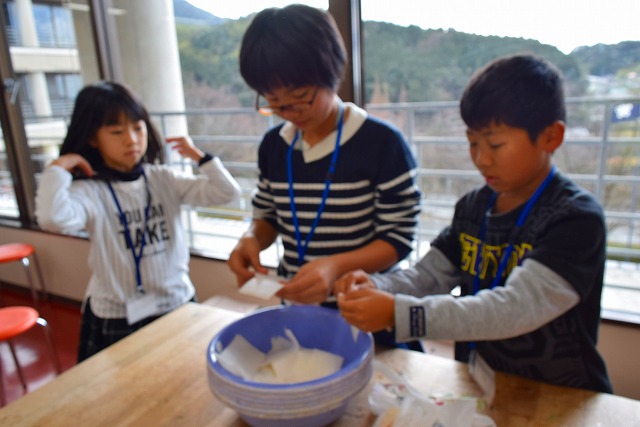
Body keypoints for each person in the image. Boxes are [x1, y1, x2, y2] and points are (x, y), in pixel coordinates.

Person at [335, 54, 613, 393]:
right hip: (482, 380)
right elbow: (428, 276)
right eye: (473, 143)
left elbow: (516, 308)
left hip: (562, 393)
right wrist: (377, 286)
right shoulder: (473, 208)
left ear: (551, 137)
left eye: (495, 144)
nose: (481, 159)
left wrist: (400, 314)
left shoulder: (575, 219)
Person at [227, 4, 422, 311]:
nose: (289, 113)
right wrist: (251, 239)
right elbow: (267, 214)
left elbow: (399, 238)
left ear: (332, 74)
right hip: (297, 306)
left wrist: (336, 266)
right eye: (274, 101)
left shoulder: (383, 144)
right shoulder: (274, 146)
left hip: (364, 308)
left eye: (300, 97)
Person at [35, 81, 241, 361]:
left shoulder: (163, 178)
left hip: (175, 301)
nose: (131, 140)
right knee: (126, 384)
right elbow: (52, 219)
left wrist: (199, 157)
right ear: (93, 138)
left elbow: (227, 193)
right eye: (116, 132)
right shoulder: (90, 191)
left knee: (185, 373)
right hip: (119, 313)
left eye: (138, 128)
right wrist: (59, 167)